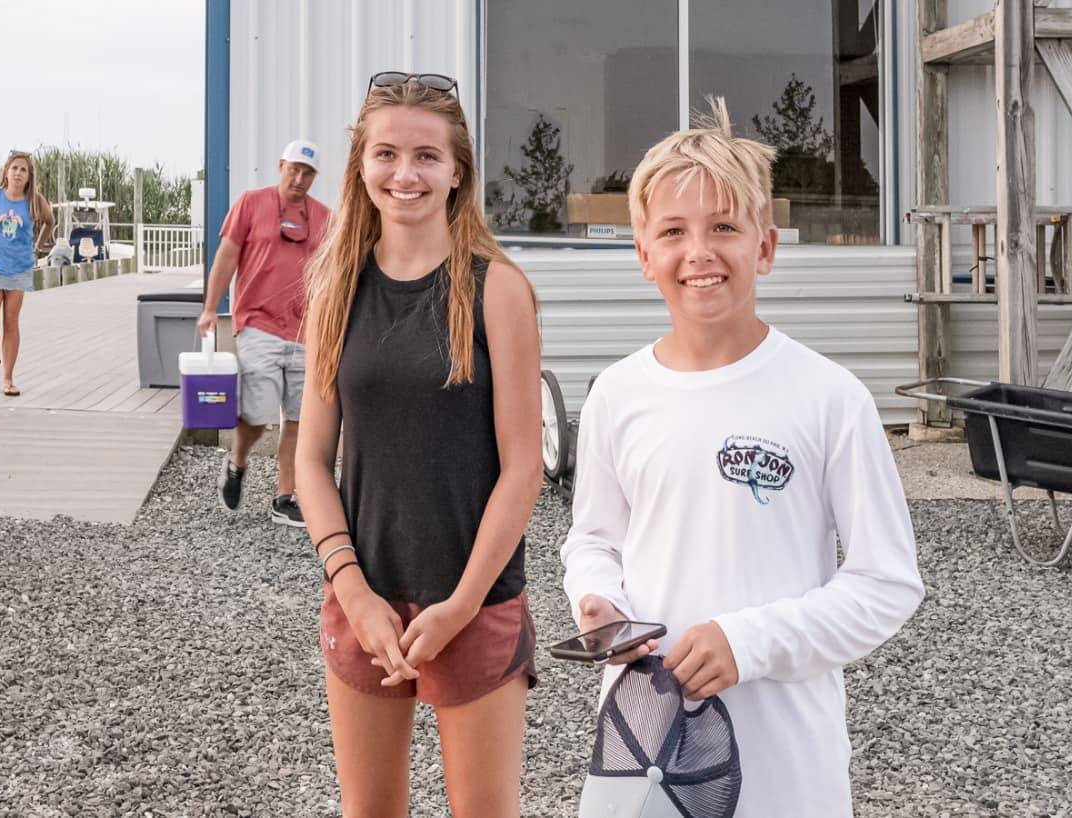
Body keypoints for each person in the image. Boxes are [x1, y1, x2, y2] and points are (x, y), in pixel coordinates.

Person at [559, 99, 924, 816]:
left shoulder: (829, 397)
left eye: (723, 227)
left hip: (785, 764)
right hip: (640, 755)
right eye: (672, 231)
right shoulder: (617, 394)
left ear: (765, 247)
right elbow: (593, 541)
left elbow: (887, 584)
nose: (698, 252)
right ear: (642, 254)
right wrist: (600, 602)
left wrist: (747, 641)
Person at [294, 73, 543, 817]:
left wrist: (463, 604)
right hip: (364, 599)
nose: (406, 175)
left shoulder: (497, 288)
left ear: (457, 169)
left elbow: (523, 466)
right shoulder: (334, 288)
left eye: (427, 156)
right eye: (388, 154)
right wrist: (352, 590)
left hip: (473, 601)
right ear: (361, 166)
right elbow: (311, 460)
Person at [197, 139, 331, 527]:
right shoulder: (251, 204)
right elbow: (226, 256)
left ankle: (284, 497)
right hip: (258, 324)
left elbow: (338, 271)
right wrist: (210, 309)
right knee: (256, 415)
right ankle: (237, 462)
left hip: (307, 331)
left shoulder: (325, 218)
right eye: (294, 169)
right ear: (280, 166)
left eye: (308, 173)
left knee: (299, 419)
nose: (300, 178)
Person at [0, 150, 54, 397]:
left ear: (29, 177)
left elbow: (50, 221)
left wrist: (37, 247)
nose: (18, 173)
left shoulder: (34, 200)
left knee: (11, 322)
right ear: (6, 171)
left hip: (19, 268)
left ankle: (7, 377)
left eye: (23, 170)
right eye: (14, 168)